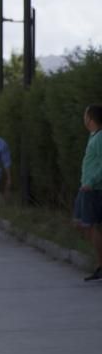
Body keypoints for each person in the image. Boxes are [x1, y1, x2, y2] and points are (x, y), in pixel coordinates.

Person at [75, 105, 102, 281]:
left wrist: (91, 182)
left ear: (90, 118)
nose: (83, 119)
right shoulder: (94, 136)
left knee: (92, 226)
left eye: (85, 115)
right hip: (86, 187)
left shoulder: (100, 137)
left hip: (94, 188)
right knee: (81, 224)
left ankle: (101, 265)